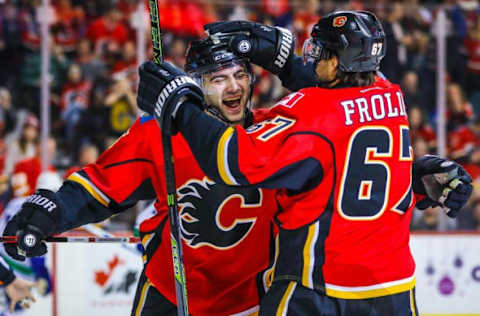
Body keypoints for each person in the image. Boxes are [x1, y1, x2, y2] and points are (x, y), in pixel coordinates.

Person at [134, 11, 473, 316]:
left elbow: (233, 162)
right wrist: (417, 174)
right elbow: (347, 143)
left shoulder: (309, 110)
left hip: (321, 290)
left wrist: (179, 104)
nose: (312, 59)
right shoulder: (390, 96)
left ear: (338, 63)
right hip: (395, 291)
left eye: (321, 53)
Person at [3, 38, 279, 316]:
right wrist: (49, 213)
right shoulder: (160, 133)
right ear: (196, 85)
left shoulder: (276, 129)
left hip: (250, 300)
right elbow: (99, 186)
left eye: (241, 74)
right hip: (170, 291)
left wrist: (286, 60)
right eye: (218, 78)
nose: (234, 86)